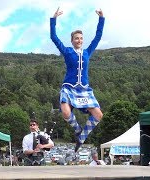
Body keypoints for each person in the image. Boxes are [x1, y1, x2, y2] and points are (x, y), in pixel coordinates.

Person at [50, 7, 105, 152]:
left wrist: (101, 19)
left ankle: (81, 138)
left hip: (84, 89)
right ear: (72, 40)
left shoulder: (87, 52)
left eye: (81, 38)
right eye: (76, 38)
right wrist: (53, 20)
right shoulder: (67, 51)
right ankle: (78, 130)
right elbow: (54, 38)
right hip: (69, 87)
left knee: (98, 115)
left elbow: (98, 37)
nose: (79, 40)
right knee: (66, 113)